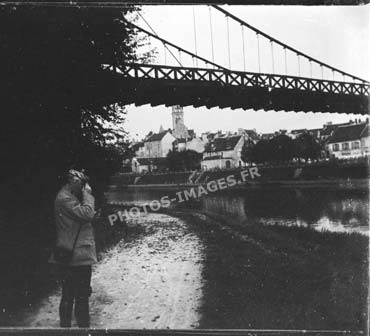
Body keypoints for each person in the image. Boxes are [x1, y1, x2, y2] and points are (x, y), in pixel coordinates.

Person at [49, 169, 97, 328]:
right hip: (77, 256)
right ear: (72, 181)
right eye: (80, 182)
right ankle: (79, 330)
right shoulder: (65, 198)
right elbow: (87, 214)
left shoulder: (67, 196)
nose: (83, 187)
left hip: (72, 253)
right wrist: (88, 195)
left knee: (69, 295)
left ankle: (67, 329)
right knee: (79, 297)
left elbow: (81, 218)